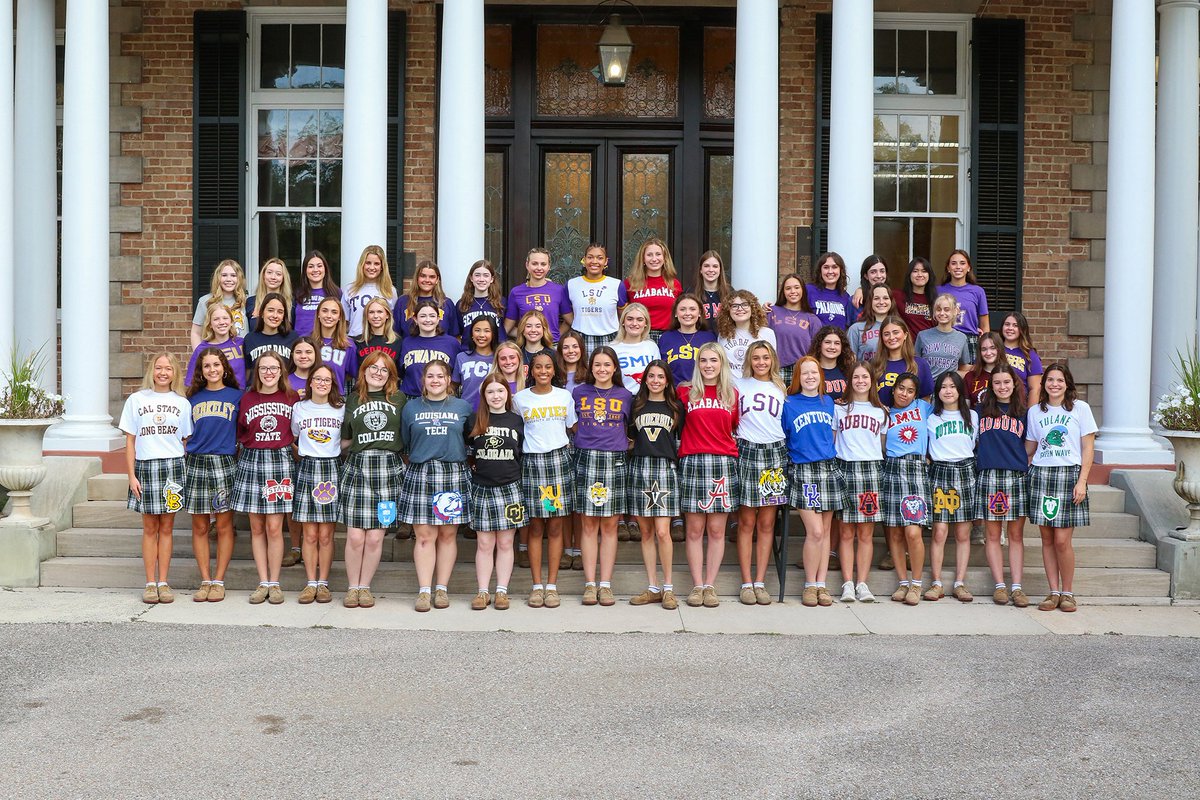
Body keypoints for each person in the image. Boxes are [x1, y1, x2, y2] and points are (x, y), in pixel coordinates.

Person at [400, 359, 473, 612]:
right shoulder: (410, 408)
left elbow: (468, 439)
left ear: (449, 379)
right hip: (421, 471)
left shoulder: (463, 407)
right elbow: (406, 443)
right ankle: (424, 591)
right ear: (423, 380)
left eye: (440, 376)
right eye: (430, 376)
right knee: (424, 536)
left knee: (447, 534)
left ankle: (441, 589)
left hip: (452, 473)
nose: (435, 380)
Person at [120, 352, 193, 605]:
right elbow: (130, 440)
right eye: (159, 368)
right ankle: (150, 583)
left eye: (168, 369)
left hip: (172, 468)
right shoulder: (136, 400)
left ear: (175, 373)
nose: (163, 373)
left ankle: (164, 581)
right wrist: (131, 475)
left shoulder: (182, 403)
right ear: (152, 370)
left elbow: (183, 439)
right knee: (150, 527)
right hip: (146, 466)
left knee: (168, 527)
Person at [1026, 363, 1096, 613]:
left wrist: (1082, 481)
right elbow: (1030, 448)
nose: (1054, 384)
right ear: (1043, 384)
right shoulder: (1035, 411)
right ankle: (1053, 592)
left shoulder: (1080, 409)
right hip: (1042, 474)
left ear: (1068, 384)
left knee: (1062, 540)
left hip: (1069, 475)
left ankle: (1068, 592)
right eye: (1050, 380)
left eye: (1060, 380)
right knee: (1046, 538)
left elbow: (1088, 447)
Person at [338, 352, 406, 609]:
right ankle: (352, 587)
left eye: (384, 370)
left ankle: (365, 587)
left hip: (388, 471)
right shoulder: (353, 399)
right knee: (355, 537)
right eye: (373, 368)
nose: (378, 373)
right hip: (358, 468)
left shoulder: (400, 399)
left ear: (390, 375)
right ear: (364, 371)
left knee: (376, 537)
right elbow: (345, 440)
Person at [232, 351, 299, 605]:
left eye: (274, 368)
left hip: (280, 461)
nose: (269, 373)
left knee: (274, 527)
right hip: (252, 460)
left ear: (281, 372)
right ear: (256, 371)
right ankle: (262, 582)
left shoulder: (291, 398)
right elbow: (240, 431)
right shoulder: (246, 398)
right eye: (263, 368)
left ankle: (275, 583)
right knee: (257, 527)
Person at [513, 351, 577, 608]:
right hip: (532, 463)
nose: (543, 371)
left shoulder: (565, 396)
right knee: (536, 526)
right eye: (538, 367)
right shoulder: (519, 399)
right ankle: (536, 585)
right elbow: (515, 431)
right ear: (530, 370)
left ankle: (552, 585)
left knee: (556, 526)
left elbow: (573, 428)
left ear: (554, 370)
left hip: (558, 461)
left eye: (547, 367)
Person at [679, 343, 740, 609]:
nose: (708, 365)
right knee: (694, 530)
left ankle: (710, 586)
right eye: (703, 360)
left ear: (721, 363)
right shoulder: (686, 392)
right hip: (693, 460)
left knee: (716, 530)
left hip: (723, 461)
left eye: (713, 360)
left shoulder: (732, 395)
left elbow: (734, 427)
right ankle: (696, 585)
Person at [572, 346, 633, 607]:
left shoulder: (626, 395)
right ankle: (589, 584)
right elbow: (571, 424)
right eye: (597, 364)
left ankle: (605, 585)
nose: (602, 369)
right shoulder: (578, 392)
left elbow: (630, 428)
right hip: (586, 458)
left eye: (607, 365)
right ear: (591, 367)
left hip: (614, 460)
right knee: (587, 525)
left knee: (609, 526)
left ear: (615, 368)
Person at [783, 356, 845, 607]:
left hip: (828, 468)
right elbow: (786, 435)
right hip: (804, 470)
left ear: (821, 377)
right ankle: (809, 584)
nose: (810, 376)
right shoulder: (789, 404)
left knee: (826, 531)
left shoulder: (828, 402)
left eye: (815, 372)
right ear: (798, 377)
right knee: (815, 531)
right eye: (805, 373)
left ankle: (822, 584)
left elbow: (831, 435)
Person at [183, 347, 241, 602]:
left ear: (224, 368)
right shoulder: (191, 398)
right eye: (207, 366)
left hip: (225, 462)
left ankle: (219, 580)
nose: (212, 370)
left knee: (225, 525)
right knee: (199, 525)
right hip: (196, 462)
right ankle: (205, 579)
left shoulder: (237, 397)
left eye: (216, 365)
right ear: (201, 370)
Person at [734, 341, 788, 606]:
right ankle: (746, 582)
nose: (761, 362)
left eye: (765, 357)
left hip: (775, 454)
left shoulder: (782, 387)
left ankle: (760, 581)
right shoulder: (739, 385)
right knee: (746, 522)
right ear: (749, 361)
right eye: (756, 358)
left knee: (767, 523)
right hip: (746, 450)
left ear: (772, 359)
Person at [466, 375, 526, 611]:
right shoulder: (474, 420)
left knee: (505, 542)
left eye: (500, 391)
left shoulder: (517, 421)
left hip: (511, 486)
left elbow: (522, 452)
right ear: (484, 396)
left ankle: (502, 591)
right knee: (484, 542)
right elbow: (469, 452)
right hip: (482, 486)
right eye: (490, 392)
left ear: (507, 394)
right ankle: (482, 592)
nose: (496, 396)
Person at [627, 361, 683, 610]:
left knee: (663, 532)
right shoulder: (636, 405)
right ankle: (652, 587)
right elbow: (629, 438)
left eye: (661, 376)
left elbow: (679, 439)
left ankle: (668, 588)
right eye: (652, 376)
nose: (656, 380)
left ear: (667, 380)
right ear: (645, 379)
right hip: (640, 467)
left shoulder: (675, 407)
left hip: (665, 468)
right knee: (647, 532)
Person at [290, 364, 346, 604]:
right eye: (318, 379)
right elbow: (293, 436)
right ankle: (310, 582)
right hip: (307, 467)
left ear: (332, 384)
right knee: (309, 533)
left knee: (326, 534)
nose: (322, 383)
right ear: (310, 382)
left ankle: (323, 583)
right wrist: (303, 452)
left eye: (327, 380)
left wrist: (334, 449)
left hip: (331, 468)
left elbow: (348, 438)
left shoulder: (341, 409)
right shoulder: (299, 408)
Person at [976, 364, 1031, 608]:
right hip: (989, 475)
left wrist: (1019, 461)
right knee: (992, 535)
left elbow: (1030, 445)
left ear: (1014, 384)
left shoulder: (1025, 413)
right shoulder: (980, 411)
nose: (1002, 387)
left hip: (1015, 475)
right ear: (991, 386)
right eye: (997, 383)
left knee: (1015, 535)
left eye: (1006, 382)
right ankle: (1000, 586)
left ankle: (1017, 587)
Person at [834, 361, 887, 603]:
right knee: (846, 532)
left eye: (865, 377)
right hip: (845, 467)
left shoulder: (881, 411)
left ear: (871, 380)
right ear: (850, 380)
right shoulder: (839, 409)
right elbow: (834, 441)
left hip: (871, 470)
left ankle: (862, 583)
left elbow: (883, 447)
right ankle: (847, 583)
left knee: (866, 533)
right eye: (856, 377)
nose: (860, 381)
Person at [924, 371, 979, 602]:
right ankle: (936, 582)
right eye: (943, 387)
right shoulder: (931, 418)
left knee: (963, 533)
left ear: (959, 390)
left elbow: (975, 444)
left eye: (952, 386)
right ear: (937, 392)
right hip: (941, 472)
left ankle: (959, 582)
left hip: (965, 471)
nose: (948, 390)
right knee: (939, 531)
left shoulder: (972, 417)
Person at [882, 373, 931, 606]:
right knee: (894, 532)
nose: (905, 393)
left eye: (910, 390)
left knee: (913, 531)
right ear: (893, 390)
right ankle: (902, 582)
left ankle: (917, 583)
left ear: (916, 394)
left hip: (917, 468)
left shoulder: (924, 407)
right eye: (901, 388)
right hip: (891, 468)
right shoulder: (884, 413)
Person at [567, 242, 628, 354]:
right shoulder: (572, 284)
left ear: (605, 261)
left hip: (610, 338)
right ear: (584, 260)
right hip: (580, 338)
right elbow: (567, 313)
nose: (594, 261)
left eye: (599, 258)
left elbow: (623, 314)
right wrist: (582, 324)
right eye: (590, 257)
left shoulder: (616, 285)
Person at [505, 247, 573, 342]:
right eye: (534, 263)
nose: (539, 268)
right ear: (527, 265)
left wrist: (556, 335)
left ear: (549, 266)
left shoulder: (559, 290)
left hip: (552, 346)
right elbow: (508, 328)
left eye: (543, 264)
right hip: (526, 346)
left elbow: (570, 321)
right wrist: (525, 335)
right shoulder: (516, 292)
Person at [399, 299, 463, 397]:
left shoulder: (451, 343)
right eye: (423, 316)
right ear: (415, 319)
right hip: (411, 398)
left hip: (442, 399)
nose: (428, 320)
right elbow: (401, 373)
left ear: (438, 319)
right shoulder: (406, 343)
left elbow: (457, 375)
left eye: (432, 316)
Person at [767, 273, 822, 385]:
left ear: (803, 290)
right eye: (788, 288)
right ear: (783, 292)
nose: (793, 291)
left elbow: (817, 350)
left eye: (797, 287)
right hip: (776, 369)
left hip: (802, 370)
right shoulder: (771, 312)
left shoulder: (812, 319)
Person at [625, 237, 682, 341]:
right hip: (640, 335)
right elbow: (623, 312)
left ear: (665, 258)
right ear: (643, 258)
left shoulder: (674, 284)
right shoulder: (630, 283)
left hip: (668, 335)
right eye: (649, 255)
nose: (654, 259)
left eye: (658, 254)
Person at [938, 249, 990, 361]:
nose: (958, 267)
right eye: (953, 263)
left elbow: (985, 325)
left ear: (969, 268)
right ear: (948, 268)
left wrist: (985, 345)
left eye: (962, 263)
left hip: (969, 340)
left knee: (969, 376)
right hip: (944, 338)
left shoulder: (977, 291)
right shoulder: (938, 291)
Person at [871, 315, 934, 406]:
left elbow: (925, 401)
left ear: (905, 335)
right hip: (880, 418)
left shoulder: (920, 364)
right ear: (882, 338)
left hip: (910, 419)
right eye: (886, 334)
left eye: (896, 332)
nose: (891, 337)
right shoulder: (872, 364)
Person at [659, 293, 717, 387]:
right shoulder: (666, 338)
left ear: (699, 313)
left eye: (692, 309)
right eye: (682, 309)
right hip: (673, 395)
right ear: (676, 313)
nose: (687, 313)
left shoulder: (709, 337)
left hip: (701, 393)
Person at [395, 259, 462, 339]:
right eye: (423, 276)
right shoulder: (403, 302)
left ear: (437, 280)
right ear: (417, 278)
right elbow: (395, 334)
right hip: (410, 350)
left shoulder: (446, 303)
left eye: (432, 277)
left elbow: (455, 336)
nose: (427, 280)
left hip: (441, 350)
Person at [716, 289, 777, 375]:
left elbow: (773, 366)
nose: (739, 309)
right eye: (734, 306)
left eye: (745, 305)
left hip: (757, 385)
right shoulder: (723, 335)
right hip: (730, 386)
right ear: (728, 311)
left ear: (753, 308)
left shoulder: (767, 333)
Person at [184, 303, 246, 389]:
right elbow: (191, 383)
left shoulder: (242, 343)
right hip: (214, 399)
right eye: (216, 319)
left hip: (241, 397)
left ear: (231, 322)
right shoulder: (202, 349)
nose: (221, 322)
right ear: (210, 324)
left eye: (225, 318)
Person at [342, 245, 397, 339]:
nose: (372, 267)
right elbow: (344, 322)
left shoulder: (390, 290)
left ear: (382, 267)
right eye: (368, 263)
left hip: (380, 341)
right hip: (355, 340)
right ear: (362, 265)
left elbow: (392, 321)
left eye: (376, 264)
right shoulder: (349, 289)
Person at [190, 259, 248, 348]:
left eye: (233, 275)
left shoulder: (247, 301)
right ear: (218, 278)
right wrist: (199, 355)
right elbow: (196, 333)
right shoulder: (206, 301)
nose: (229, 279)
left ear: (239, 278)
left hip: (240, 356)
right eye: (224, 275)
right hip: (214, 355)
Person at [915, 294, 971, 383]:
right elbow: (915, 364)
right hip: (927, 386)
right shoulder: (922, 335)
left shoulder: (961, 338)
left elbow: (964, 367)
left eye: (947, 310)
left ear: (955, 311)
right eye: (938, 310)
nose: (942, 313)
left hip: (949, 388)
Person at [609, 303, 660, 393]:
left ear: (645, 324)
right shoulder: (612, 348)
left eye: (640, 320)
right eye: (630, 319)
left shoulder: (652, 346)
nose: (634, 323)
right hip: (621, 399)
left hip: (646, 399)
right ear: (623, 322)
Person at [243, 292, 299, 374]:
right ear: (262, 313)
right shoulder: (250, 339)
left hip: (285, 386)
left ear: (284, 316)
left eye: (280, 312)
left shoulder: (292, 337)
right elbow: (247, 371)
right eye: (270, 310)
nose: (275, 315)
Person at [454, 316, 499, 411]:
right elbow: (453, 387)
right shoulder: (461, 357)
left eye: (487, 331)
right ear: (471, 334)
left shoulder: (499, 358)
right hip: (466, 412)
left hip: (493, 411)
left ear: (493, 334)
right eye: (477, 330)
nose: (481, 335)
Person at [293, 250, 341, 338]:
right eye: (311, 266)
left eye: (319, 266)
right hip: (301, 344)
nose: (315, 270)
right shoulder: (297, 294)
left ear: (325, 269)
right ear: (305, 270)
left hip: (325, 344)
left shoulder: (336, 293)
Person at [457, 259, 508, 342]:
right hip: (469, 352)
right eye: (477, 275)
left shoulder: (501, 302)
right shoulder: (462, 304)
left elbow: (505, 329)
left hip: (496, 351)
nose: (481, 279)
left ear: (492, 279)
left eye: (486, 275)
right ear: (471, 278)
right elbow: (458, 334)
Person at [314, 296, 357, 392]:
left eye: (334, 312)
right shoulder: (307, 342)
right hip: (310, 399)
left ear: (339, 317)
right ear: (318, 314)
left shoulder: (348, 345)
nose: (329, 316)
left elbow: (353, 375)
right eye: (325, 311)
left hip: (336, 399)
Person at [352, 296, 402, 379]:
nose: (375, 316)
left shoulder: (397, 342)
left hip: (389, 390)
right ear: (367, 316)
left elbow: (399, 372)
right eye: (371, 312)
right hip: (363, 390)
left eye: (380, 312)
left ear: (387, 315)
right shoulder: (358, 342)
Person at [1000, 311, 1044, 405]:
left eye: (1015, 325)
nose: (1010, 328)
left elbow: (1035, 388)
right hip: (994, 405)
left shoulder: (1030, 355)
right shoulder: (993, 350)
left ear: (1022, 329)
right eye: (1007, 324)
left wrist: (1029, 414)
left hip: (1019, 407)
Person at [847, 284, 896, 363]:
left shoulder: (899, 328)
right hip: (867, 374)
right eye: (876, 298)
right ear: (870, 302)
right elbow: (850, 362)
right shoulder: (856, 329)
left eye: (885, 298)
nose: (881, 302)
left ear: (891, 301)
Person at [806, 251, 856, 330]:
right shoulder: (808, 290)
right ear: (820, 271)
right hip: (814, 341)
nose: (830, 271)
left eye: (834, 267)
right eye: (826, 267)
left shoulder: (845, 296)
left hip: (837, 341)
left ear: (840, 271)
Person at [808, 325, 854, 401]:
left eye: (837, 343)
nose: (832, 347)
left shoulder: (849, 371)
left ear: (842, 347)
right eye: (827, 342)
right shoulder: (810, 371)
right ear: (820, 345)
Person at [893, 257, 937, 337]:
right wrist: (862, 290)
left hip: (930, 346)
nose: (920, 275)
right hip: (908, 347)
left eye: (924, 271)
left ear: (929, 275)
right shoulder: (897, 296)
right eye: (915, 271)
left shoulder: (936, 299)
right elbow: (877, 294)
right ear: (909, 274)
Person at [247, 257, 293, 324]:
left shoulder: (291, 304)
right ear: (263, 275)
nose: (273, 277)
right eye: (269, 272)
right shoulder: (251, 302)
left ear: (283, 278)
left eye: (278, 274)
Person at [964, 331, 1006, 403]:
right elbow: (966, 409)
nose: (988, 353)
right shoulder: (970, 377)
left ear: (999, 349)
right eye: (984, 349)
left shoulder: (1009, 375)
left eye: (992, 348)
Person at [694, 250, 731, 322]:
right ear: (700, 270)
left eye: (715, 266)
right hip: (700, 333)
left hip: (723, 333)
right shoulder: (691, 293)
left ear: (720, 270)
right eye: (706, 266)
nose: (711, 270)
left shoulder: (730, 292)